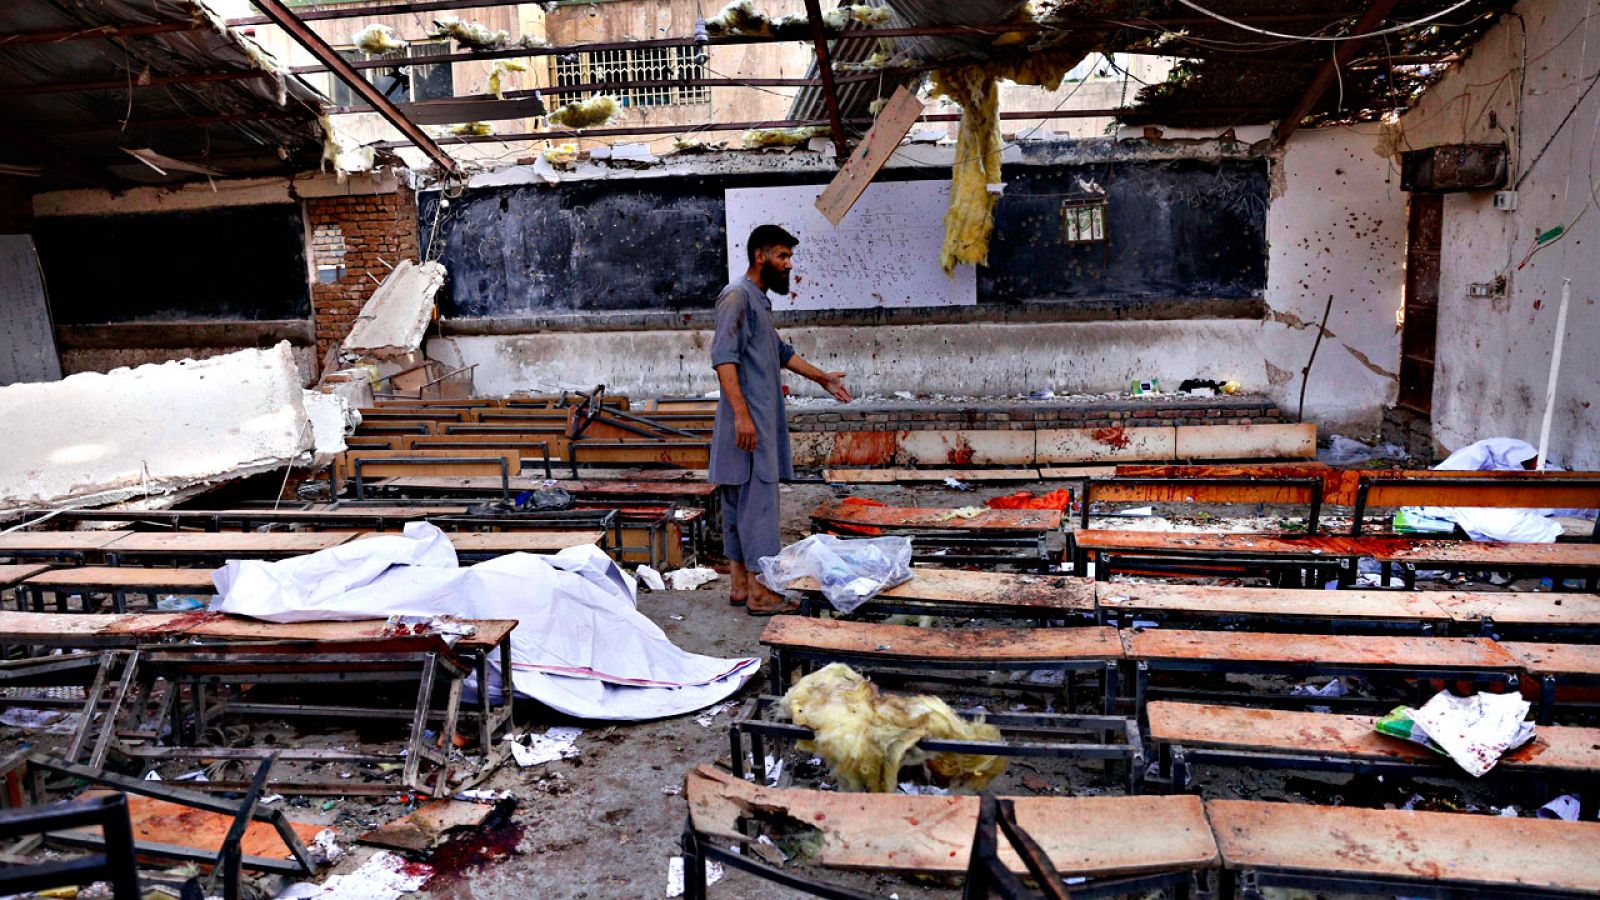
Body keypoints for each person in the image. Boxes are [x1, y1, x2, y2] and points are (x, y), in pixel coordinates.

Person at [710, 224, 851, 615]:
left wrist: (822, 377)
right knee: (759, 507)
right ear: (760, 256)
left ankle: (740, 585)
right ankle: (762, 593)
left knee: (740, 503)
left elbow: (780, 352)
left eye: (789, 257)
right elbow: (724, 359)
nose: (788, 265)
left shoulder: (755, 300)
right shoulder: (737, 297)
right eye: (782, 257)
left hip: (748, 424)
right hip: (749, 425)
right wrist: (742, 417)